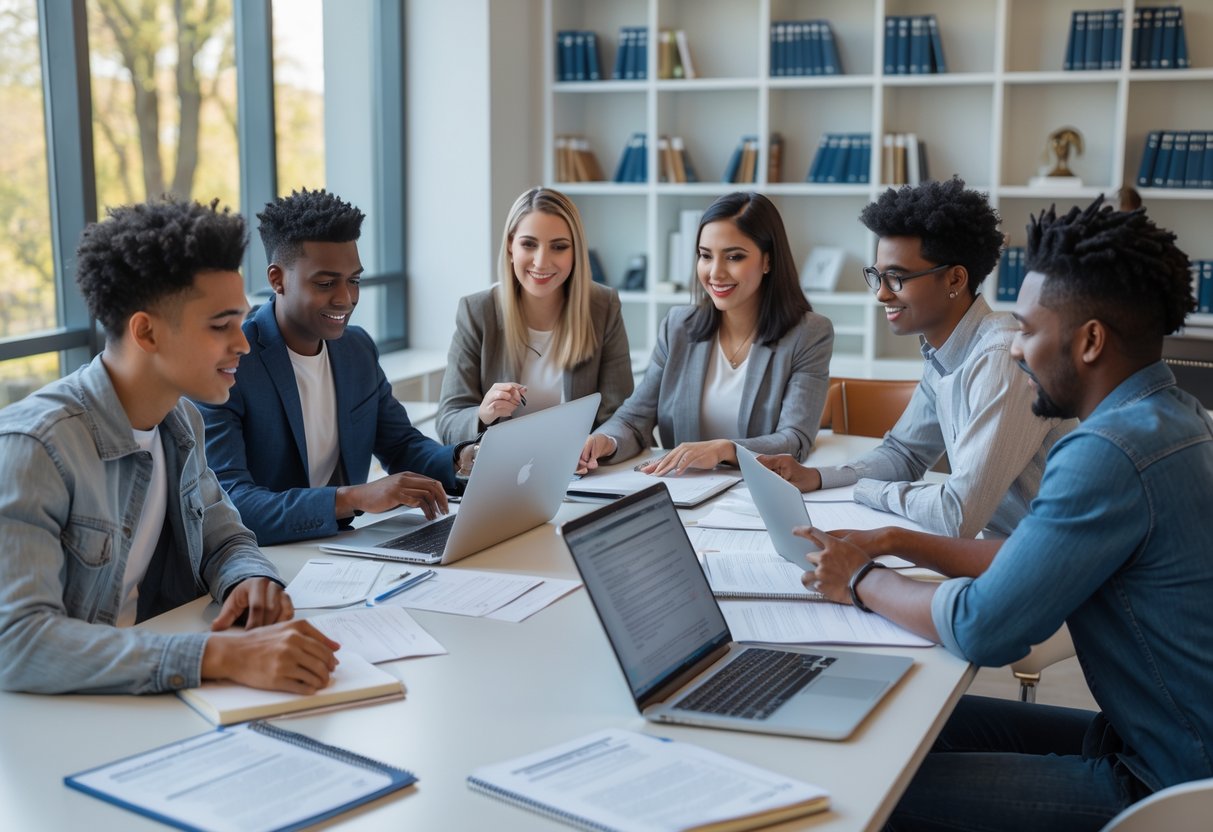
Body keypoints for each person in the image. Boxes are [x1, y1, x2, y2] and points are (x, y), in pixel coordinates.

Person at [799, 198, 1213, 830]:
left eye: (1026, 330)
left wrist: (860, 580)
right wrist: (895, 541)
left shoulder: (1105, 453)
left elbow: (983, 630)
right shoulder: (1175, 416)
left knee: (865, 785)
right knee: (904, 720)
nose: (1014, 350)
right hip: (1153, 738)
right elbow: (1031, 557)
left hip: (1165, 782)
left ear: (1090, 341)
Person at [0, 198, 340, 695]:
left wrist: (250, 581)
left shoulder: (180, 422)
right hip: (62, 717)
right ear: (146, 332)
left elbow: (225, 538)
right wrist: (219, 655)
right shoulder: (34, 449)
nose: (243, 344)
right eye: (220, 326)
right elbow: (19, 642)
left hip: (157, 693)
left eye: (241, 322)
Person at [761, 178, 1071, 538]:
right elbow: (904, 454)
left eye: (896, 278)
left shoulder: (1000, 359)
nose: (881, 294)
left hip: (1050, 559)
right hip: (1003, 547)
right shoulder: (944, 352)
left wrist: (867, 491)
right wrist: (816, 477)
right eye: (877, 276)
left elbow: (958, 515)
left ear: (955, 279)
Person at [198, 189, 473, 546]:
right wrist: (354, 497)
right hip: (266, 555)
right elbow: (232, 503)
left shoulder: (356, 350)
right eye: (326, 283)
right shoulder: (230, 364)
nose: (346, 298)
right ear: (277, 279)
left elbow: (401, 446)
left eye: (353, 280)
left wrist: (462, 459)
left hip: (343, 550)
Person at [580, 191, 833, 475]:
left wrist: (725, 450)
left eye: (734, 257)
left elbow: (795, 439)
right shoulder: (678, 326)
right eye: (705, 256)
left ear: (768, 261)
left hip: (756, 490)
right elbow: (633, 419)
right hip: (682, 489)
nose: (715, 273)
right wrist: (603, 441)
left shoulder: (809, 334)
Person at [436, 187, 633, 443]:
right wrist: (483, 414)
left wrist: (601, 442)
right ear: (510, 246)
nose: (541, 262)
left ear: (575, 252)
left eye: (559, 247)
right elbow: (448, 420)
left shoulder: (603, 306)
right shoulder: (477, 311)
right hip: (504, 464)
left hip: (579, 464)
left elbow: (622, 415)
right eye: (529, 244)